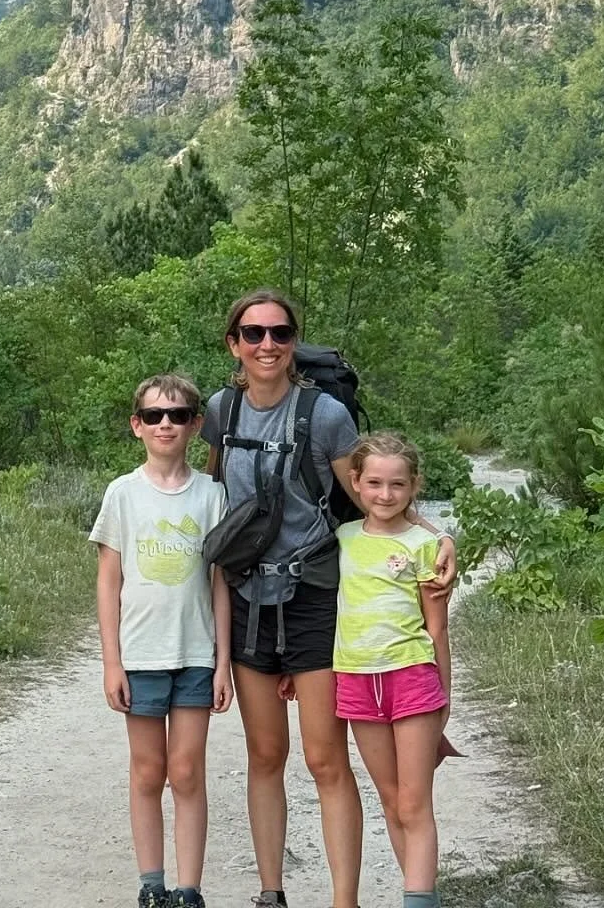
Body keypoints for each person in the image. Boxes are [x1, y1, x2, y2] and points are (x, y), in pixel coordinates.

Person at [202, 289, 456, 908]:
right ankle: (271, 892)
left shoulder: (324, 416)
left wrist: (437, 536)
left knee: (324, 759)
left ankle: (345, 900)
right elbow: (208, 494)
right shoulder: (219, 411)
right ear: (233, 343)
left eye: (280, 333)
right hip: (247, 597)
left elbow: (373, 496)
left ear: (294, 342)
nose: (267, 344)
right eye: (254, 333)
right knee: (264, 754)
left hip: (315, 597)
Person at [91, 372, 235, 908]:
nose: (166, 424)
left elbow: (220, 582)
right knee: (149, 770)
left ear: (196, 425)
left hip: (196, 652)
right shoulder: (122, 495)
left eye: (177, 415)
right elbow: (110, 580)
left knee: (187, 769)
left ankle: (189, 888)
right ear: (137, 425)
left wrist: (222, 662)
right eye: (154, 415)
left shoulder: (212, 495)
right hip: (141, 653)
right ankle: (151, 883)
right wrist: (112, 662)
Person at [334, 434, 451, 908]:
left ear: (414, 485)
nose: (386, 495)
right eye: (375, 483)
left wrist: (445, 695)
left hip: (412, 677)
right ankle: (422, 893)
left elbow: (438, 630)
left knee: (414, 802)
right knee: (389, 798)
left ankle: (417, 901)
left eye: (398, 484)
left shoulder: (426, 546)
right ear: (356, 483)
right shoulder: (341, 539)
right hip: (357, 680)